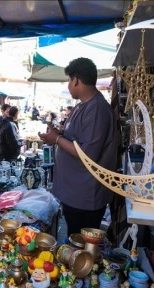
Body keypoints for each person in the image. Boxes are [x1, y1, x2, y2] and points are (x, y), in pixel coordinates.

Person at [38, 57, 117, 236]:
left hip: (85, 197)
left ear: (76, 80)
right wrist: (56, 135)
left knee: (81, 249)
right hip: (75, 193)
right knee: (74, 244)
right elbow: (75, 138)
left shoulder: (97, 109)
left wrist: (57, 140)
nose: (68, 84)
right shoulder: (83, 106)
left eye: (69, 80)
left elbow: (87, 153)